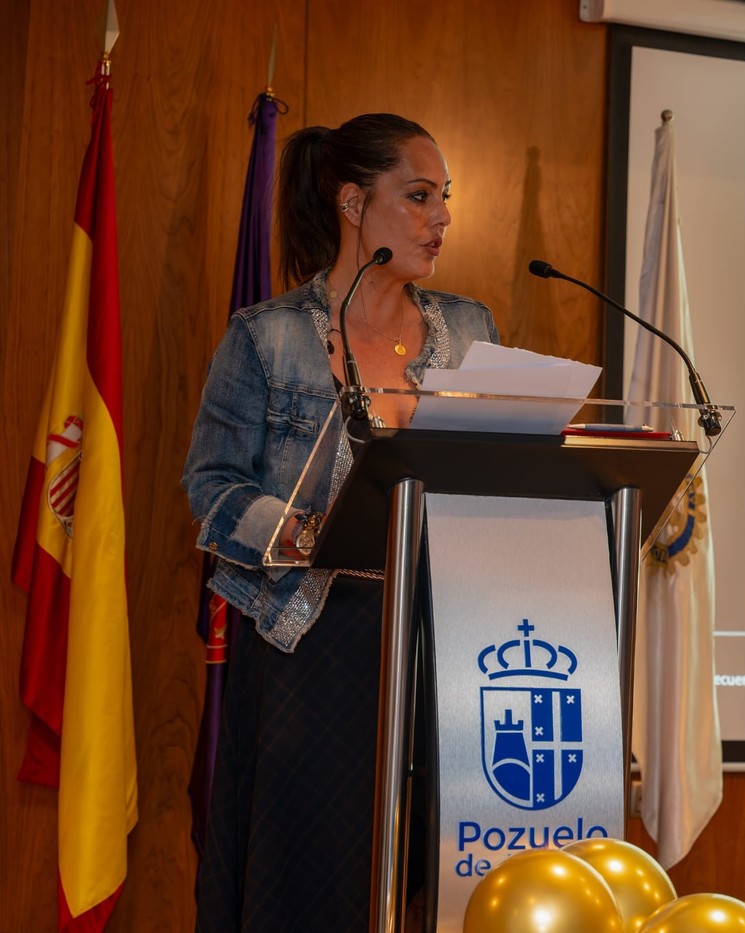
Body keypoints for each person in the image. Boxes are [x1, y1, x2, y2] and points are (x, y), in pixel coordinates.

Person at [182, 112, 499, 931]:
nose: (442, 218)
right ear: (354, 204)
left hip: (440, 643)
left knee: (429, 874)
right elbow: (209, 485)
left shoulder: (469, 331)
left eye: (445, 198)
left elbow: (495, 473)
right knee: (310, 886)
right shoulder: (267, 337)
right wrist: (298, 533)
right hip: (307, 640)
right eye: (420, 196)